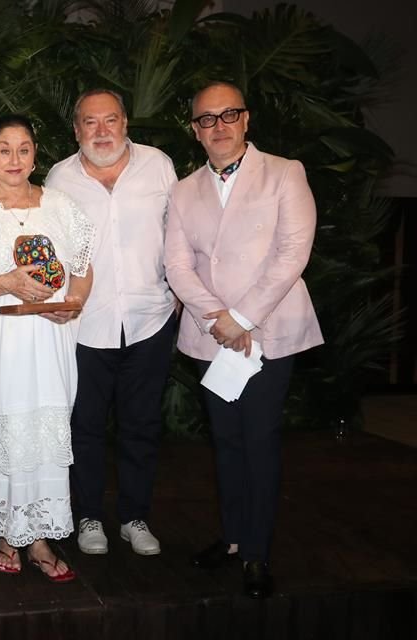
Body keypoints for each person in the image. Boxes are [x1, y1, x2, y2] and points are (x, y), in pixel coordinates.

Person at [164, 81, 323, 598]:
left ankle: (257, 550)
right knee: (226, 441)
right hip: (213, 338)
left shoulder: (284, 173)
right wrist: (217, 320)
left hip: (269, 334)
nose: (219, 126)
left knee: (258, 440)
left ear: (246, 119)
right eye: (207, 119)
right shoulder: (184, 189)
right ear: (195, 130)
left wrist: (244, 317)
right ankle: (232, 539)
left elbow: (293, 252)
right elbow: (177, 264)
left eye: (228, 114)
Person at [0, 114, 94, 582]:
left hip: (50, 345)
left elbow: (84, 269)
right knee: (5, 438)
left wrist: (73, 305)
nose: (14, 159)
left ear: (35, 155)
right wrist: (6, 282)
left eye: (24, 149)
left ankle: (41, 538)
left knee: (45, 441)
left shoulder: (63, 208)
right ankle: (8, 535)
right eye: (4, 149)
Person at [46, 89, 178, 557]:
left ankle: (134, 516)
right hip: (84, 324)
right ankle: (88, 518)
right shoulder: (59, 179)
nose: (101, 132)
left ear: (126, 122)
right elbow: (52, 255)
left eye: (110, 120)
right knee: (84, 427)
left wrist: (181, 292)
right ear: (76, 129)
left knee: (141, 423)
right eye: (90, 123)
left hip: (150, 317)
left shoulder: (159, 166)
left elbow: (180, 234)